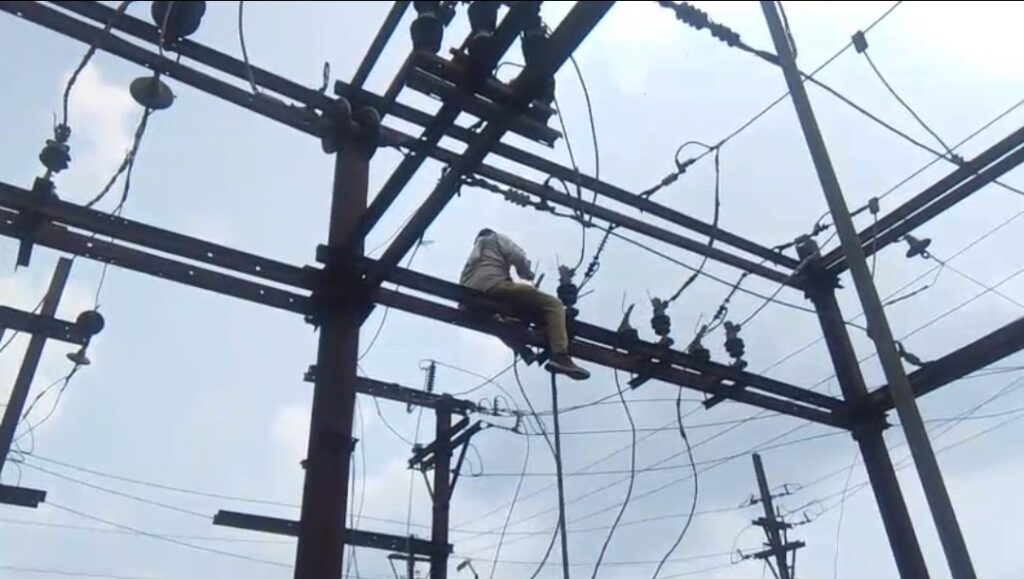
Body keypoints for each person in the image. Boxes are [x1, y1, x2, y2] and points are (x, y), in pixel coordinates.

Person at [460, 228, 591, 381]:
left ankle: (523, 350)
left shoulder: (472, 259)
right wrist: (527, 273)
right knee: (553, 305)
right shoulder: (496, 238)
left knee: (502, 323)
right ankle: (560, 357)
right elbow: (518, 256)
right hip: (495, 287)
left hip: (470, 300)